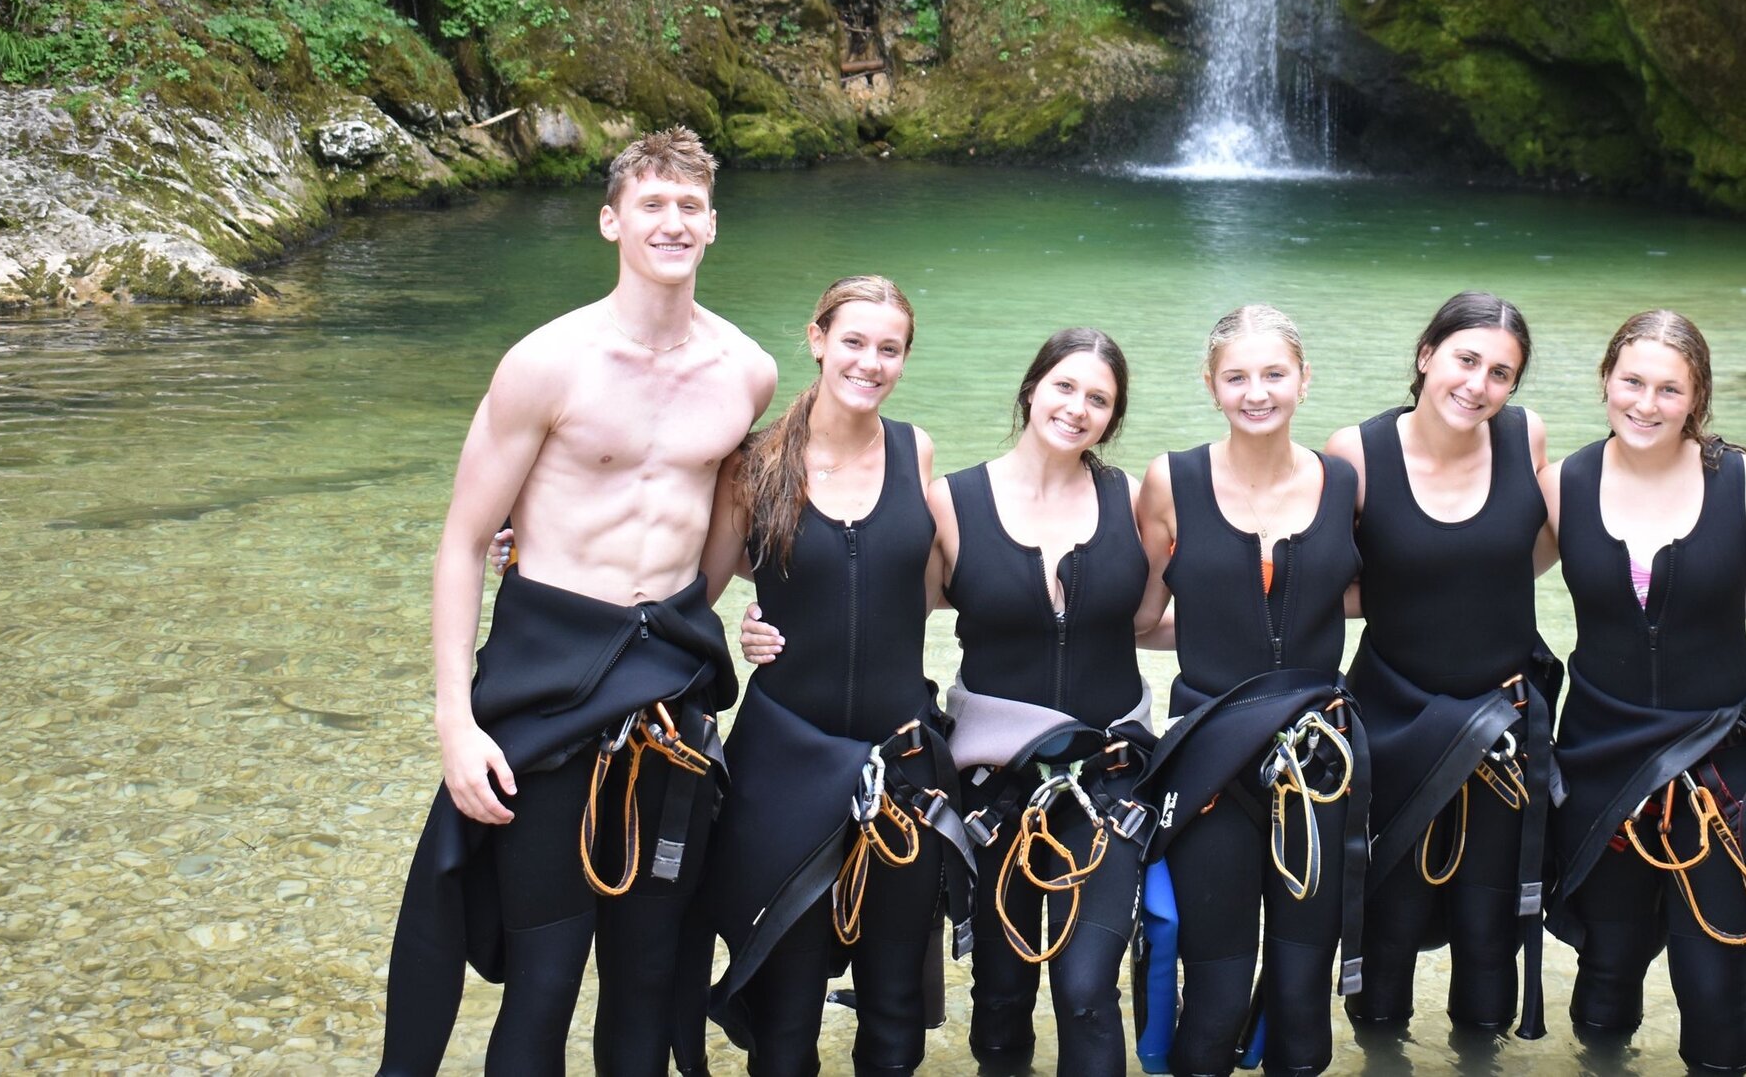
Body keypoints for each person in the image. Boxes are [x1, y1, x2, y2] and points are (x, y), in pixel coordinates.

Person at [377, 128, 776, 1077]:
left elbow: (720, 534)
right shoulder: (547, 361)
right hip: (546, 687)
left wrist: (753, 614)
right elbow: (465, 540)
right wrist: (453, 721)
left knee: (646, 977)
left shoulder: (746, 370)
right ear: (612, 221)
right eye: (652, 203)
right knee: (547, 975)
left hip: (667, 696)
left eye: (689, 206)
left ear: (713, 225)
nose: (671, 221)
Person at [741, 328, 1162, 1077]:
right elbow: (876, 595)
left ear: (1114, 416)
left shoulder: (1133, 499)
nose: (1077, 407)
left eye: (1099, 397)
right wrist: (769, 620)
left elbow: (1163, 613)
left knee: (1089, 990)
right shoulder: (953, 500)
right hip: (993, 783)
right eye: (1065, 386)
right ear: (1032, 388)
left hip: (1109, 778)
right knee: (999, 994)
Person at [688, 276, 969, 1077]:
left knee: (895, 1014)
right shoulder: (755, 463)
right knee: (787, 1014)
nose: (870, 362)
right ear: (816, 339)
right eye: (854, 341)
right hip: (785, 763)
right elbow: (692, 582)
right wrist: (525, 539)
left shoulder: (914, 450)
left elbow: (961, 572)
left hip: (901, 761)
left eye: (889, 349)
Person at [1544, 310, 1746, 1075]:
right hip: (1600, 756)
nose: (1646, 403)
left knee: (1714, 981)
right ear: (1606, 381)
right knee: (1606, 974)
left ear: (1697, 397)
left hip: (1721, 757)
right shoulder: (1564, 483)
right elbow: (1477, 575)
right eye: (1632, 382)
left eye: (1668, 388)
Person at [1128, 305, 1366, 1077]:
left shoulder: (1343, 485)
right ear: (1210, 384)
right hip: (1208, 761)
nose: (1256, 391)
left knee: (1302, 989)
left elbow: (1398, 589)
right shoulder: (1173, 479)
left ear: (1304, 379)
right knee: (1218, 981)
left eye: (1273, 373)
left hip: (1317, 759)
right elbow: (1135, 615)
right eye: (1237, 376)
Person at [1326, 291, 1562, 1041]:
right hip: (1396, 722)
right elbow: (1335, 580)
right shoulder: (1356, 452)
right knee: (1386, 942)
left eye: (1501, 372)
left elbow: (1534, 551)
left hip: (1502, 727)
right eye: (1466, 359)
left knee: (1489, 941)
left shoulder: (1525, 438)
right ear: (1427, 354)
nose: (1478, 384)